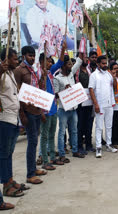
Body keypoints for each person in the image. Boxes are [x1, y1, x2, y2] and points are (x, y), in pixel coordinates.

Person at [14, 46, 47, 184]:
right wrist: (22, 113)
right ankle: (30, 174)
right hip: (27, 111)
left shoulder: (34, 70)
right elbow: (17, 92)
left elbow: (37, 89)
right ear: (23, 56)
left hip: (36, 109)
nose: (32, 58)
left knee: (34, 141)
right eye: (29, 55)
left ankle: (33, 169)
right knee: (32, 142)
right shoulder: (19, 71)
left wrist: (43, 77)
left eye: (33, 55)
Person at [0, 48, 25, 210]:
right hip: (4, 120)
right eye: (14, 59)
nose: (17, 62)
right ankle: (6, 185)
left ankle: (9, 180)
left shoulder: (10, 74)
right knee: (3, 154)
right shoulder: (2, 73)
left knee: (8, 153)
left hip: (13, 119)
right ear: (6, 59)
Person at [39, 41, 67, 170]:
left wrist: (63, 49)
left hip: (53, 109)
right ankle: (45, 160)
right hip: (44, 111)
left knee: (51, 135)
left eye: (51, 61)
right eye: (47, 61)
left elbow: (60, 62)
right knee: (44, 137)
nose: (50, 63)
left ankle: (52, 158)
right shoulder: (38, 74)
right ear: (41, 62)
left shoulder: (51, 73)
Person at [54, 53, 86, 163]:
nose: (71, 66)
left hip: (73, 109)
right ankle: (62, 154)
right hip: (63, 109)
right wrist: (64, 91)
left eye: (71, 64)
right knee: (62, 132)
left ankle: (75, 151)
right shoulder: (57, 78)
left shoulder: (71, 73)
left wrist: (82, 46)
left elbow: (79, 61)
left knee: (74, 130)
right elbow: (55, 95)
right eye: (68, 64)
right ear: (62, 66)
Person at [89, 56, 118, 158]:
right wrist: (96, 104)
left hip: (109, 104)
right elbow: (91, 90)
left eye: (106, 63)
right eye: (103, 63)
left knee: (109, 126)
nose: (105, 65)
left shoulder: (108, 74)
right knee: (99, 127)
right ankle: (98, 147)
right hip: (100, 105)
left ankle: (108, 145)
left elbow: (114, 86)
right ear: (98, 64)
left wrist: (114, 76)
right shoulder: (94, 75)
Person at [75, 55, 95, 154]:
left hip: (89, 101)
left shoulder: (89, 71)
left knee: (89, 124)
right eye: (84, 58)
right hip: (80, 102)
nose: (86, 60)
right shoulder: (76, 72)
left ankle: (88, 145)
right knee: (80, 125)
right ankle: (79, 146)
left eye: (87, 58)